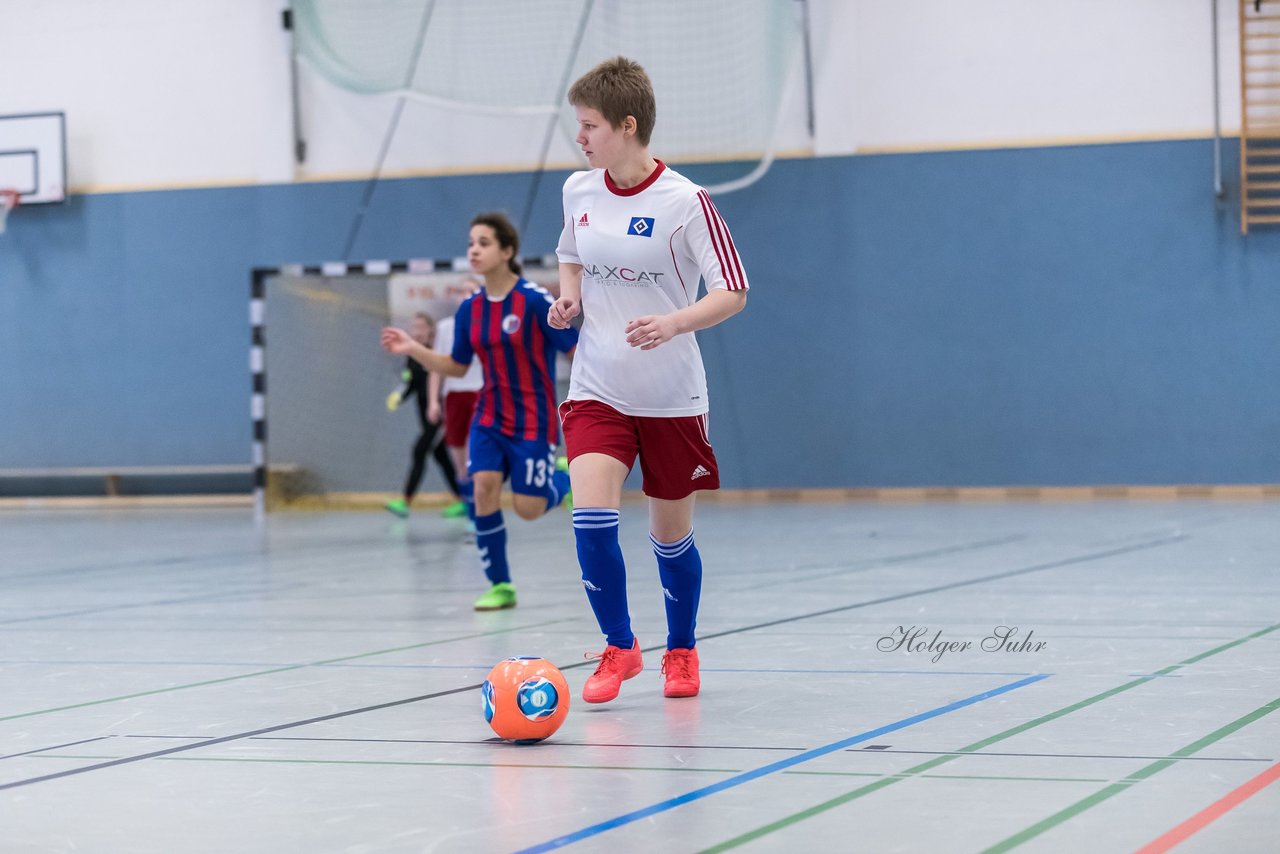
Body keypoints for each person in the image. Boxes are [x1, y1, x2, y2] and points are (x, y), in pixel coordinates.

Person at [549, 57, 749, 703]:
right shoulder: (578, 191)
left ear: (627, 126)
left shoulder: (686, 203)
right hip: (597, 386)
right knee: (591, 517)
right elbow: (570, 256)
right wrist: (569, 297)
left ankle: (683, 651)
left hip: (670, 397)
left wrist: (674, 322)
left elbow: (734, 291)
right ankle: (619, 647)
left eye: (589, 126)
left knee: (670, 536)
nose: (580, 138)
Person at [382, 212, 578, 611]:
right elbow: (457, 367)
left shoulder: (535, 301)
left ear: (507, 251)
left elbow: (576, 351)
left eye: (484, 242)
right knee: (483, 487)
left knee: (528, 508)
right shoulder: (471, 309)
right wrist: (413, 350)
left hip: (533, 421)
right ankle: (501, 585)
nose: (474, 249)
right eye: (471, 242)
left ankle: (564, 480)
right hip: (488, 418)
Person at [384, 312, 464, 519]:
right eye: (414, 327)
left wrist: (436, 404)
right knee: (441, 457)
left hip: (441, 417)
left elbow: (444, 379)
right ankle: (462, 499)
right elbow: (411, 384)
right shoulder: (412, 356)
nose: (417, 331)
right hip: (425, 417)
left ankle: (405, 501)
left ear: (431, 330)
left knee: (419, 451)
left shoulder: (437, 354)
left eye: (421, 327)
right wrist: (398, 396)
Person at [428, 294, 484, 521]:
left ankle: (480, 515)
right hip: (453, 395)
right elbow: (436, 365)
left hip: (480, 392)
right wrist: (433, 400)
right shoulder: (445, 327)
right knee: (459, 461)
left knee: (475, 459)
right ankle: (468, 507)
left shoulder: (487, 323)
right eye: (464, 292)